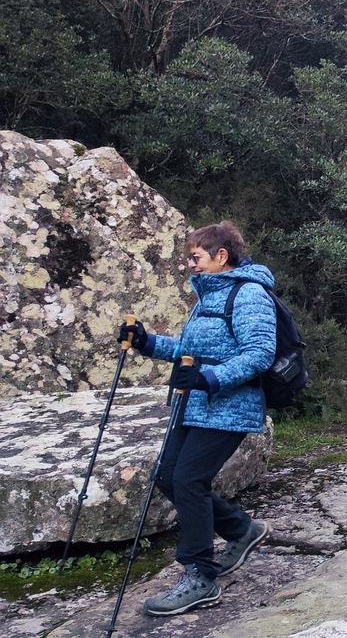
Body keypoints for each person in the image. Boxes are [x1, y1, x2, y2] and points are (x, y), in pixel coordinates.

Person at [116, 221, 274, 616]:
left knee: (188, 479)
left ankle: (200, 576)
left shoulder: (249, 293)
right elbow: (189, 348)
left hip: (229, 409)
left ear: (222, 256)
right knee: (167, 475)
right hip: (195, 405)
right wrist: (147, 343)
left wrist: (208, 378)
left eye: (196, 257)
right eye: (188, 257)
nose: (190, 265)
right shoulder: (208, 295)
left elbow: (259, 353)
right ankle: (241, 529)